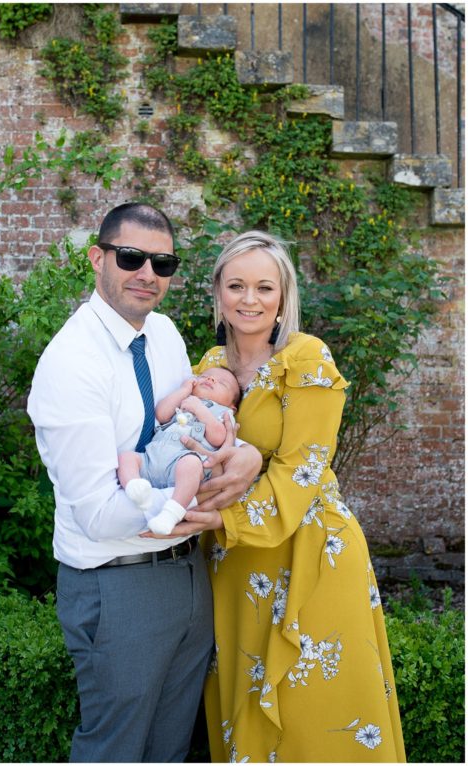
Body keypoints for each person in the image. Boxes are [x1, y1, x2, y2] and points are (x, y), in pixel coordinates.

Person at [26, 202, 263, 762]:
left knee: (170, 748)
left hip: (186, 571)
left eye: (163, 263)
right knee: (115, 749)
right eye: (131, 257)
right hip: (118, 583)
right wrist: (198, 495)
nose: (147, 274)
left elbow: (191, 433)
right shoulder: (71, 362)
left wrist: (243, 454)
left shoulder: (163, 335)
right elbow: (101, 514)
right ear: (97, 258)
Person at [181, 231, 406, 761]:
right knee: (245, 704)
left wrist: (214, 518)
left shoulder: (306, 357)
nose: (250, 299)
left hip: (308, 553)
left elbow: (304, 467)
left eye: (264, 286)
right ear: (218, 293)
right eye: (236, 285)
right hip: (236, 563)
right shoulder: (208, 364)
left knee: (316, 712)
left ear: (284, 296)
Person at [118, 367, 242, 535]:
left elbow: (219, 438)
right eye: (205, 376)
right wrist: (184, 390)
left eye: (222, 383)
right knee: (126, 458)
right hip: (153, 457)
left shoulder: (223, 413)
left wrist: (199, 409)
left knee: (191, 464)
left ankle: (171, 513)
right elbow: (161, 414)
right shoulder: (184, 399)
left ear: (232, 406)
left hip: (183, 464)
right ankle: (135, 487)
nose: (211, 379)